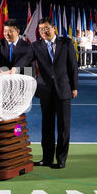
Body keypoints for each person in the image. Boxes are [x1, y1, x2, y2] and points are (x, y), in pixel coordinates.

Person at [30, 17, 78, 169]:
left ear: (53, 28)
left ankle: (61, 159)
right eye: (40, 29)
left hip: (63, 90)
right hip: (45, 90)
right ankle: (47, 159)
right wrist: (10, 71)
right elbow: (28, 65)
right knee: (47, 127)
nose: (43, 31)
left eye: (46, 28)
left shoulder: (66, 43)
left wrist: (74, 87)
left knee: (64, 127)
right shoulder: (35, 46)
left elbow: (73, 66)